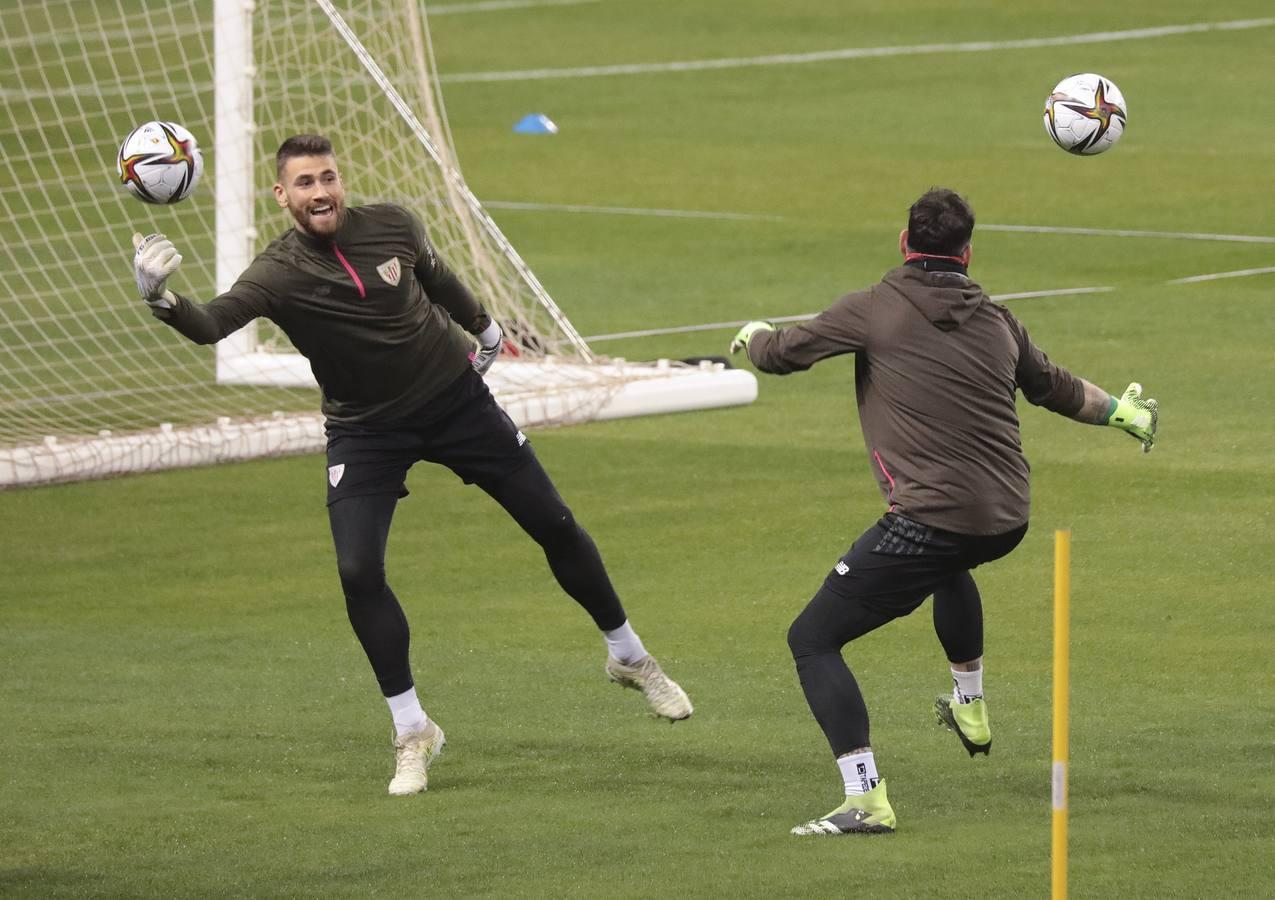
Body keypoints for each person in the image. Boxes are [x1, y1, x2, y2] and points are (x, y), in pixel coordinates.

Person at [129, 134, 693, 797]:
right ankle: (411, 730)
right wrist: (162, 300)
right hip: (365, 430)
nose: (320, 192)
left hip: (456, 404)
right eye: (304, 183)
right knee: (357, 570)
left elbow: (436, 274)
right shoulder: (276, 273)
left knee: (555, 523)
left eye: (328, 177)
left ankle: (628, 655)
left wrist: (484, 331)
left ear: (341, 182)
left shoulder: (392, 223)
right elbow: (212, 324)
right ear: (282, 196)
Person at [728, 188, 1157, 836]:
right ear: (967, 252)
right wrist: (1122, 413)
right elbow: (1056, 389)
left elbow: (784, 353)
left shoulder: (874, 308)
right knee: (949, 565)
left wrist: (756, 337)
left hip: (928, 520)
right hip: (1006, 516)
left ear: (904, 244)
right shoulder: (997, 321)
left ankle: (865, 799)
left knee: (812, 640)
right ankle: (970, 707)